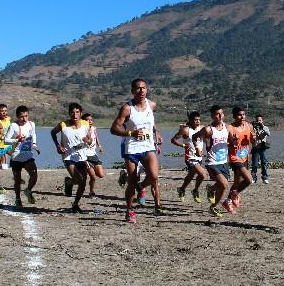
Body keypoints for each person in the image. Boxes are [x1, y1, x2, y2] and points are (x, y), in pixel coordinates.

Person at [110, 78, 165, 223]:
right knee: (132, 182)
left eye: (144, 88)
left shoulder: (151, 105)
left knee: (153, 177)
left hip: (148, 146)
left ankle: (141, 187)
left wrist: (156, 131)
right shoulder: (127, 108)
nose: (141, 91)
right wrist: (130, 133)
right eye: (138, 88)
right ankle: (129, 211)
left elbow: (150, 121)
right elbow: (114, 129)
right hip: (132, 148)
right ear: (133, 91)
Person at [50, 103, 92, 213]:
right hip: (68, 156)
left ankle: (75, 203)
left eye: (77, 112)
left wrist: (88, 141)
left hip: (81, 156)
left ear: (81, 113)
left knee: (83, 183)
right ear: (69, 113)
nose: (75, 115)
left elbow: (89, 139)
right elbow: (53, 132)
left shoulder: (86, 124)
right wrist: (58, 145)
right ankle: (69, 183)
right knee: (79, 178)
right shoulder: (63, 125)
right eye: (72, 112)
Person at [192, 105, 232, 218]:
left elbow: (231, 141)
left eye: (221, 113)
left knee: (221, 184)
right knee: (224, 185)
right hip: (212, 162)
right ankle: (213, 207)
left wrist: (234, 141)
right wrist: (198, 148)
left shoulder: (227, 128)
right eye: (217, 114)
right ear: (212, 116)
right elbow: (195, 137)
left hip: (224, 161)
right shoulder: (208, 129)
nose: (220, 116)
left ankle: (210, 189)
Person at [4, 106, 38, 208]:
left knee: (34, 173)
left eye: (26, 116)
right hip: (16, 157)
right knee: (17, 180)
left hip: (27, 155)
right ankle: (18, 199)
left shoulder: (32, 124)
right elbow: (6, 140)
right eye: (21, 117)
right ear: (17, 117)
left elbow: (33, 134)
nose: (24, 119)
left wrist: (34, 144)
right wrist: (17, 140)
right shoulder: (13, 126)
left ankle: (28, 190)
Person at [171, 111, 206, 203]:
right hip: (189, 156)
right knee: (202, 174)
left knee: (191, 175)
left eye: (199, 119)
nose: (197, 121)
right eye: (195, 120)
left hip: (199, 157)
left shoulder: (202, 128)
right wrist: (183, 145)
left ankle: (182, 189)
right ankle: (195, 191)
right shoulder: (185, 130)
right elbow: (173, 140)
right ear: (190, 120)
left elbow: (207, 139)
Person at [224, 107, 255, 211]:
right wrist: (232, 143)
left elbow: (254, 143)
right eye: (239, 115)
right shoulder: (230, 128)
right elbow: (224, 143)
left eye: (244, 114)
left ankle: (227, 201)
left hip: (245, 158)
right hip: (234, 159)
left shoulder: (249, 126)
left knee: (237, 182)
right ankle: (235, 194)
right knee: (249, 180)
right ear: (234, 116)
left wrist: (255, 139)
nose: (242, 117)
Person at [81, 113, 105, 198]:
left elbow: (96, 137)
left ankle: (70, 180)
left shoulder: (94, 128)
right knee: (93, 176)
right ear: (83, 121)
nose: (90, 121)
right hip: (85, 156)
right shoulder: (81, 130)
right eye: (88, 120)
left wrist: (100, 146)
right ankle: (91, 192)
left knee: (101, 175)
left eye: (91, 120)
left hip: (94, 155)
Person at [251, 113, 271, 184]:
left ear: (262, 121)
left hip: (263, 148)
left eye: (260, 120)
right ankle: (253, 178)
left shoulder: (265, 128)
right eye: (257, 120)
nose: (258, 121)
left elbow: (268, 134)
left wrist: (262, 126)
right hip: (255, 148)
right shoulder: (253, 128)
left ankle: (265, 178)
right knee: (254, 164)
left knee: (264, 163)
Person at [0, 104, 12, 172]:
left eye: (5, 111)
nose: (4, 113)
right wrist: (0, 137)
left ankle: (9, 166)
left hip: (7, 143)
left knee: (16, 154)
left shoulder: (8, 119)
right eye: (2, 111)